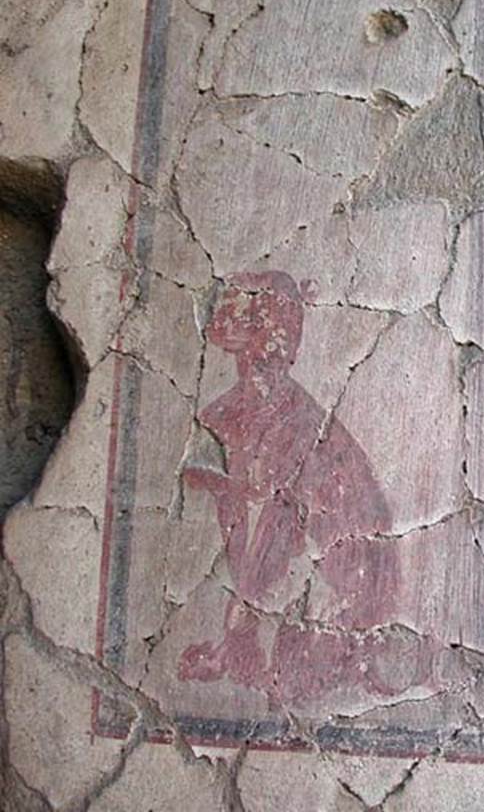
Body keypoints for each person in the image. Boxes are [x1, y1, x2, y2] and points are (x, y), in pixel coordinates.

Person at [177, 270, 433, 702]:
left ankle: (296, 655)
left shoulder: (295, 424)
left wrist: (240, 621)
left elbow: (277, 525)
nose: (221, 314)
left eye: (242, 310)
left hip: (335, 588)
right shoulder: (235, 412)